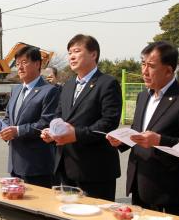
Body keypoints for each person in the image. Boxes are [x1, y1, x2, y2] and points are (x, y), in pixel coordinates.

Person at [107, 41, 179, 215]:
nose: (144, 71)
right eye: (143, 64)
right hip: (139, 181)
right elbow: (138, 131)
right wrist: (120, 141)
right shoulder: (143, 96)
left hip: (168, 188)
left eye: (151, 66)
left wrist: (160, 140)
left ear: (168, 70)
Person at [41, 34, 121, 201]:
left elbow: (109, 122)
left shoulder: (107, 83)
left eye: (77, 51)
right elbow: (58, 115)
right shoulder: (69, 84)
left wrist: (76, 134)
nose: (71, 56)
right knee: (68, 218)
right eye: (69, 52)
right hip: (66, 165)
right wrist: (51, 131)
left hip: (94, 169)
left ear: (93, 54)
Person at [0, 46, 60, 188]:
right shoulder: (16, 89)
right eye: (17, 63)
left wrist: (18, 130)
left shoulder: (49, 91)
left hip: (37, 166)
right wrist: (5, 129)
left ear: (38, 64)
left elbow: (46, 123)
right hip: (15, 163)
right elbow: (8, 116)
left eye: (24, 62)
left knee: (37, 207)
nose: (19, 67)